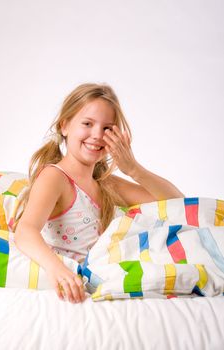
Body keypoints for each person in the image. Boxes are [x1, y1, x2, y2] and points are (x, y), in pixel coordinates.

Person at [14, 82, 184, 304]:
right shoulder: (55, 177)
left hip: (104, 274)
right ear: (65, 126)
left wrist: (134, 169)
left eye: (107, 128)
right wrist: (58, 270)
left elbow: (178, 204)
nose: (97, 135)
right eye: (87, 123)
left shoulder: (106, 184)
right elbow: (26, 230)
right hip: (73, 280)